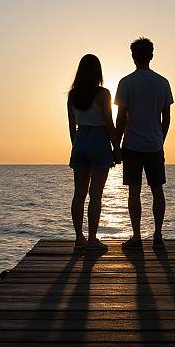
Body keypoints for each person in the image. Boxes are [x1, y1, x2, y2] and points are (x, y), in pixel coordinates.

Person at [115, 37, 174, 250]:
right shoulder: (162, 82)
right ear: (151, 55)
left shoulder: (126, 82)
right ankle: (158, 235)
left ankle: (137, 237)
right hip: (155, 145)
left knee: (134, 191)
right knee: (157, 190)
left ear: (133, 56)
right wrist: (160, 138)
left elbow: (120, 119)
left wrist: (116, 144)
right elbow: (166, 118)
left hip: (131, 144)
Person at [67, 54, 121, 251]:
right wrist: (116, 148)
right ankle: (91, 240)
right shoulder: (103, 94)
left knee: (79, 194)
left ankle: (78, 238)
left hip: (80, 140)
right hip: (99, 139)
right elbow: (109, 122)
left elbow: (71, 126)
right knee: (95, 195)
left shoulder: (72, 96)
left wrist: (77, 145)